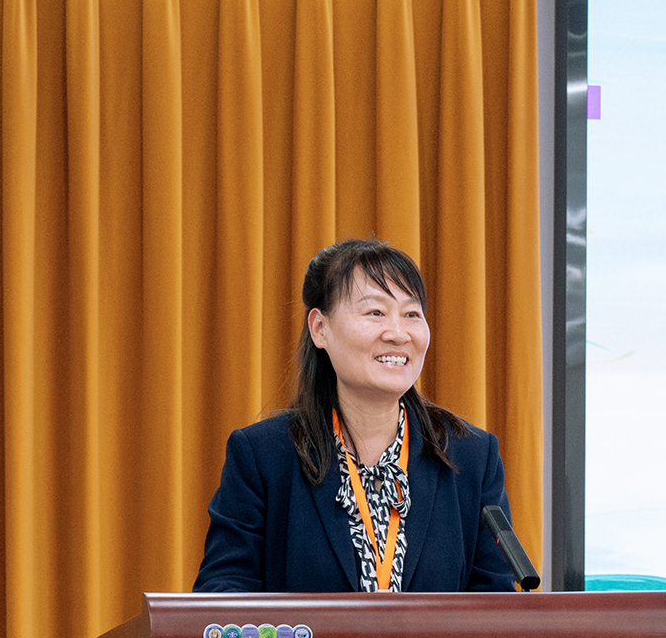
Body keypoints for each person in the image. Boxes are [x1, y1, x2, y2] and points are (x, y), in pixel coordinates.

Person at [194, 238, 519, 593]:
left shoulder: (471, 458)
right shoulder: (263, 456)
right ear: (320, 328)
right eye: (375, 312)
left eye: (411, 314)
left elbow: (497, 603)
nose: (398, 333)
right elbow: (223, 593)